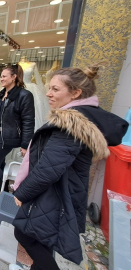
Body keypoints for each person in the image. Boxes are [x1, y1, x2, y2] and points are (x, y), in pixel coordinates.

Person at [10, 63, 128, 270]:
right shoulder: (81, 118)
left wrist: (22, 193)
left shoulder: (69, 123)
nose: (48, 93)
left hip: (56, 192)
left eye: (55, 89)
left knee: (24, 233)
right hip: (64, 190)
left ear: (76, 93)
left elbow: (48, 169)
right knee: (42, 236)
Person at [0, 64, 35, 207]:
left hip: (7, 137)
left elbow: (28, 122)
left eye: (4, 76)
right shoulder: (1, 93)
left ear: (14, 77)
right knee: (0, 163)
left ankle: (0, 197)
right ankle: (3, 189)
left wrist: (25, 144)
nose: (1, 79)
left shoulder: (24, 95)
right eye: (1, 76)